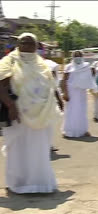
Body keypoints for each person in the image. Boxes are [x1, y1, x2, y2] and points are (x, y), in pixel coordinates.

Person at [0, 33, 60, 193]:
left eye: (30, 42)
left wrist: (56, 103)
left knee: (39, 149)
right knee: (18, 149)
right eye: (23, 42)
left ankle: (39, 184)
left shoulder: (42, 64)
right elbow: (2, 86)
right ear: (18, 45)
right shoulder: (8, 62)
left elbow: (50, 86)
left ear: (36, 46)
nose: (26, 45)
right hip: (18, 114)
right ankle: (18, 184)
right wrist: (11, 105)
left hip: (42, 113)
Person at [62, 50, 97, 138]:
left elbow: (90, 77)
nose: (77, 57)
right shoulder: (68, 67)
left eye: (79, 55)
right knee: (71, 111)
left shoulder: (86, 66)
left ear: (82, 57)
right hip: (72, 92)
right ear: (73, 57)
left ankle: (83, 130)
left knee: (82, 111)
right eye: (76, 56)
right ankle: (69, 131)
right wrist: (65, 93)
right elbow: (64, 80)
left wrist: (93, 72)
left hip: (81, 92)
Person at [37, 42, 62, 151]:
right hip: (32, 100)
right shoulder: (23, 64)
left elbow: (54, 83)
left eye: (39, 48)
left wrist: (58, 98)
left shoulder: (50, 64)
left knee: (48, 123)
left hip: (48, 99)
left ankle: (48, 145)